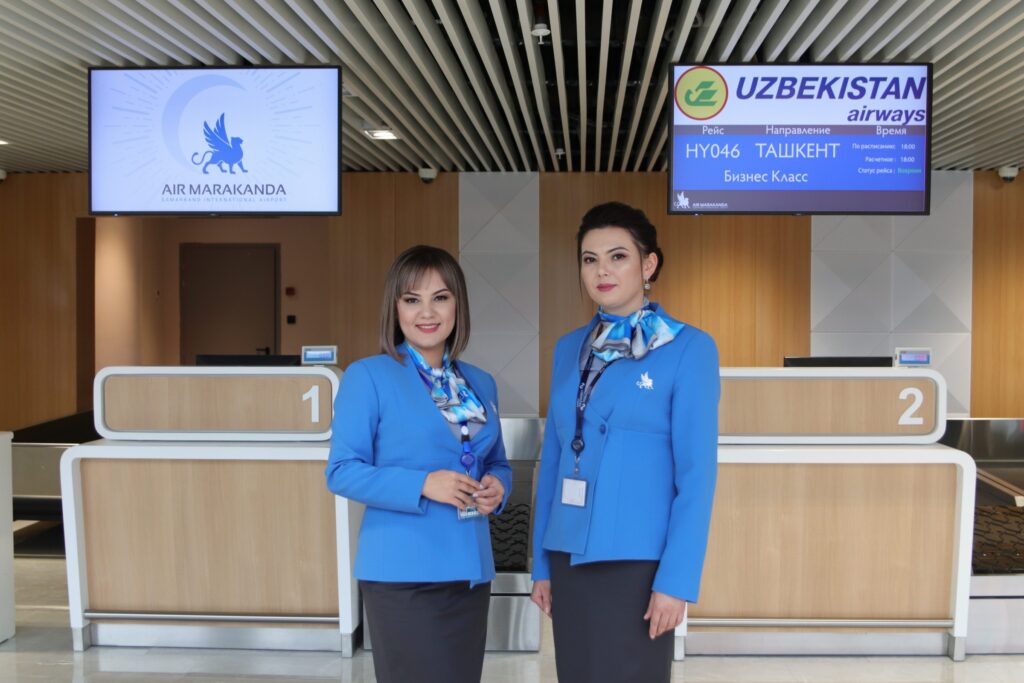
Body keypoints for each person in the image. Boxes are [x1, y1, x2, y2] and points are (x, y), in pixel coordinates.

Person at [530, 202, 720, 683]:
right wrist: (541, 564)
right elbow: (552, 459)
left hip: (639, 562)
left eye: (617, 257)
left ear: (648, 264)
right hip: (570, 553)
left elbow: (696, 477)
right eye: (590, 259)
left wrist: (676, 581)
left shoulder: (688, 348)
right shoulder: (568, 347)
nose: (602, 271)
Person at [326, 245, 512, 683]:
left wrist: (498, 488)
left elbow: (498, 462)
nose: (426, 312)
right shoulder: (367, 376)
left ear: (457, 305)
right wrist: (422, 484)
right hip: (401, 573)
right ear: (395, 308)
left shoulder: (480, 382)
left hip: (469, 569)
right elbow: (341, 470)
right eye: (412, 299)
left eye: (440, 297)